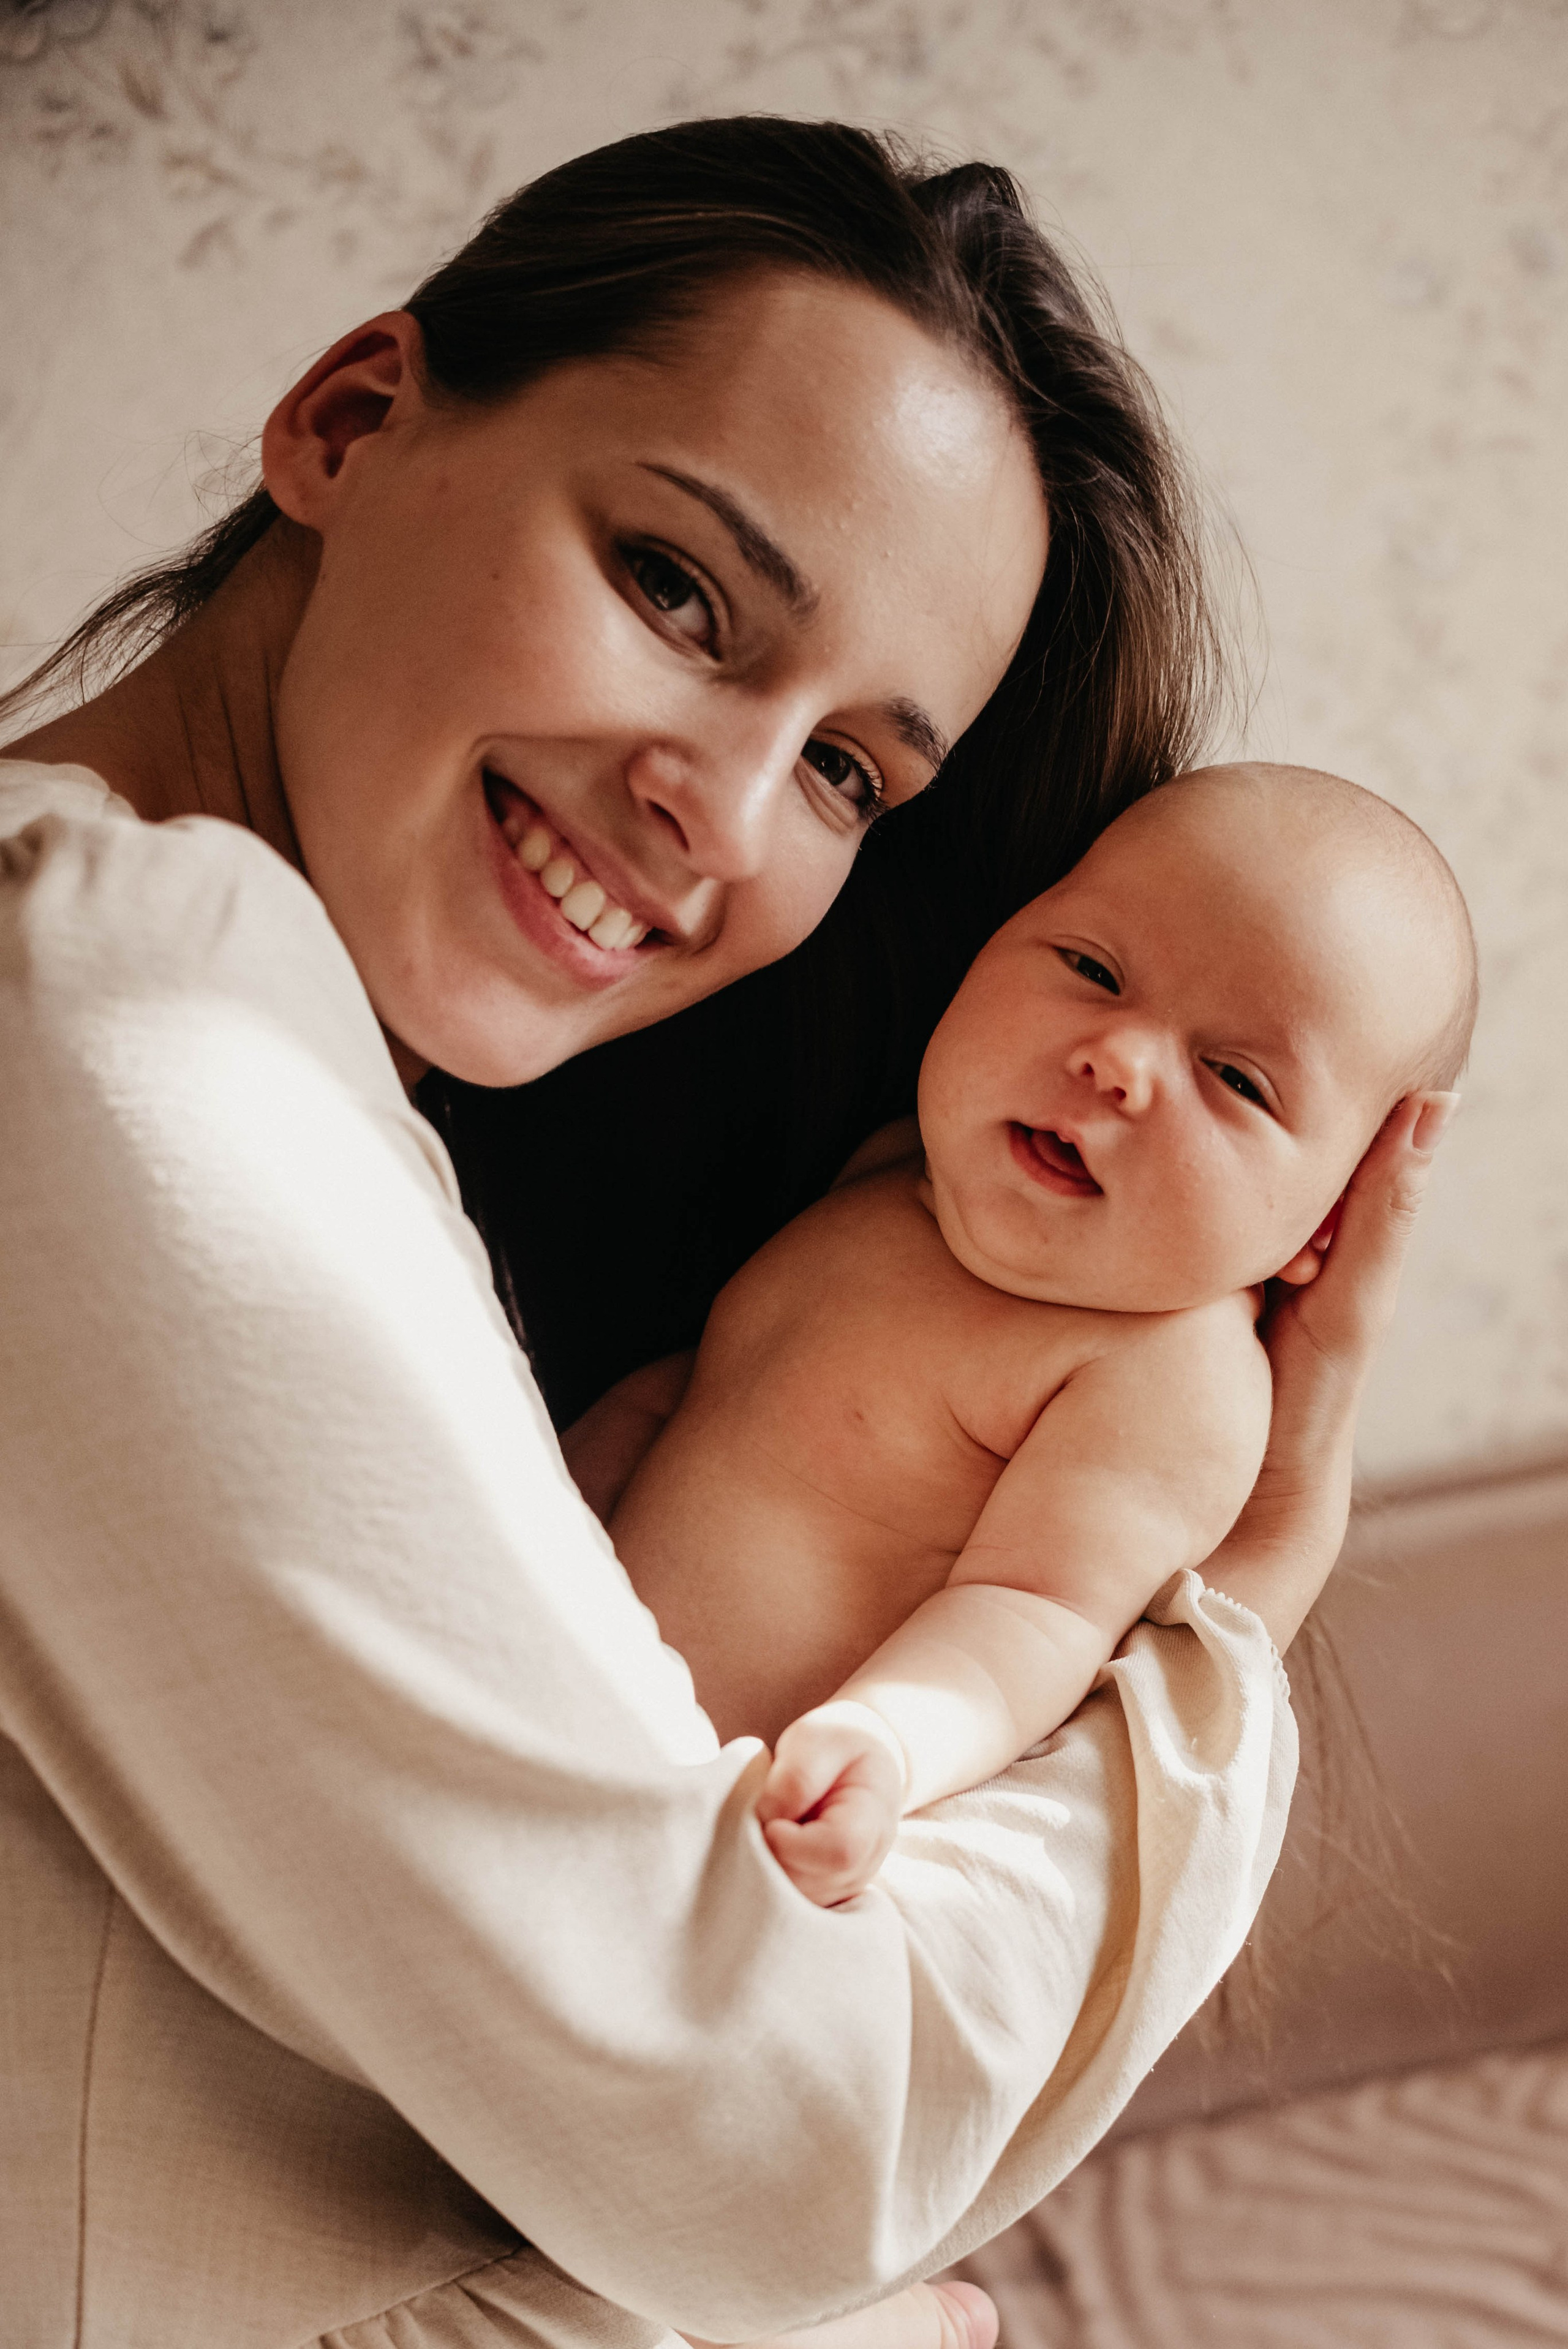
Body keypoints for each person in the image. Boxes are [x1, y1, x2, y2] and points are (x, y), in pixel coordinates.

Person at [0, 119, 1452, 2349]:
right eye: (679, 590)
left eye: (857, 773)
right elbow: (788, 2141)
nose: (725, 815)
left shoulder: (249, 1016)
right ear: (350, 420)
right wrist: (1226, 1618)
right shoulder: (120, 1022)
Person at [600, 764, 1474, 1907]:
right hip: (556, 1697)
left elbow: (1037, 1616)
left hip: (743, 1828)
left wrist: (890, 1743)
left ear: (1328, 1226)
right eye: (1092, 969)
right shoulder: (891, 1178)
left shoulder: (1171, 1371)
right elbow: (689, 1401)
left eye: (1235, 1079)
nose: (1119, 1059)